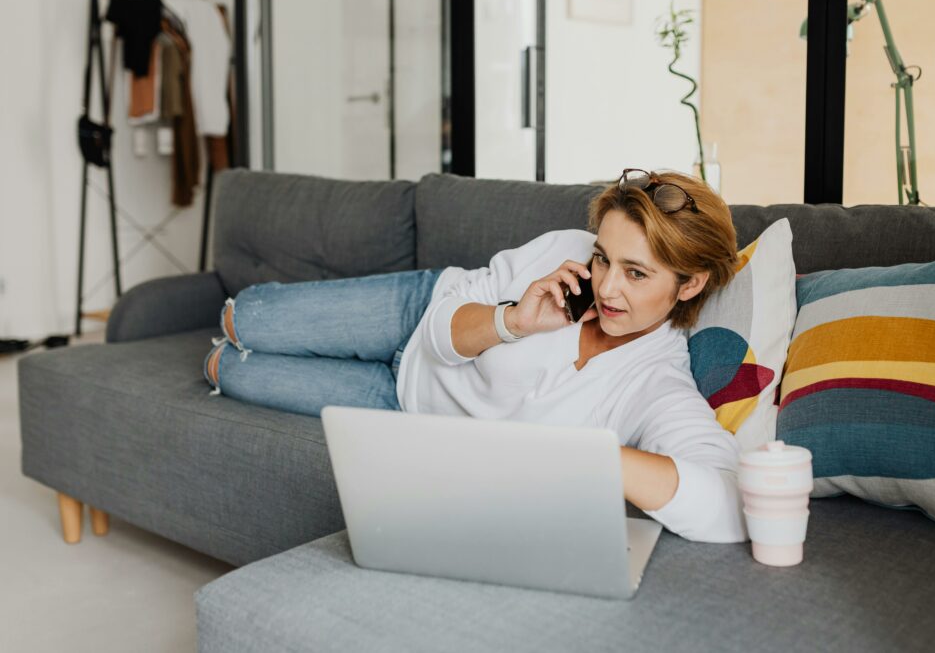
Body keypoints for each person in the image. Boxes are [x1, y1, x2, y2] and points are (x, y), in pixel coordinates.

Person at [202, 169, 747, 543]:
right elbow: (441, 330)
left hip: (403, 409)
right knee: (243, 320)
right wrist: (514, 320)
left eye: (636, 273)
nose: (605, 287)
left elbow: (728, 505)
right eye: (604, 258)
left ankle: (223, 362)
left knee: (227, 369)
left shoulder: (656, 382)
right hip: (417, 313)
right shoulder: (564, 254)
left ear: (691, 284)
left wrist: (595, 457)